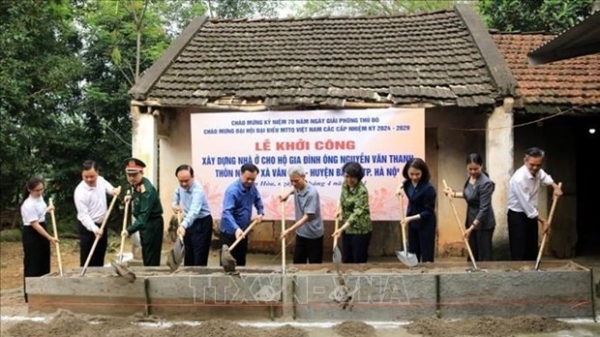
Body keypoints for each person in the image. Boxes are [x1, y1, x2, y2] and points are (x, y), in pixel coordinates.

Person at [507, 147, 562, 261]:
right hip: (518, 215)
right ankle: (519, 273)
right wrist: (543, 221)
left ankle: (533, 273)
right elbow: (526, 205)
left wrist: (555, 186)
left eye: (538, 165)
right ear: (525, 161)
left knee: (532, 247)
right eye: (532, 165)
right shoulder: (519, 178)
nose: (535, 168)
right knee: (519, 248)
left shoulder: (538, 171)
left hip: (532, 214)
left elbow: (544, 176)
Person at [443, 154, 495, 261]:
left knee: (483, 257)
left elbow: (484, 209)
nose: (472, 171)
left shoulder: (486, 183)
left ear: (481, 166)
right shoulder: (470, 178)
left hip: (483, 223)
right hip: (471, 219)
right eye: (470, 169)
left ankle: (485, 276)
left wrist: (471, 228)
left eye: (476, 169)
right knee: (473, 254)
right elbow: (469, 195)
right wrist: (452, 193)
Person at [74, 160, 121, 267]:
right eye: (86, 177)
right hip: (88, 228)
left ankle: (99, 278)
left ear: (97, 173)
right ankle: (87, 280)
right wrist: (94, 229)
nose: (89, 179)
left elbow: (107, 187)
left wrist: (113, 190)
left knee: (100, 256)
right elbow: (83, 215)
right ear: (82, 175)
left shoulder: (100, 180)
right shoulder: (80, 192)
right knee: (88, 258)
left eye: (92, 176)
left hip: (102, 225)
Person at [20, 177, 58, 302]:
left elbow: (40, 213)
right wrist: (50, 237)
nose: (40, 192)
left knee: (43, 260)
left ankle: (44, 291)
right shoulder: (27, 205)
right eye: (37, 190)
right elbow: (35, 224)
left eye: (41, 189)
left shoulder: (40, 198)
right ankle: (31, 295)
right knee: (33, 263)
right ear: (30, 190)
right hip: (32, 234)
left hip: (42, 228)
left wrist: (48, 209)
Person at [120, 158, 164, 266]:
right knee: (146, 253)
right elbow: (137, 196)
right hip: (146, 224)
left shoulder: (147, 190)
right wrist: (130, 197)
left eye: (134, 175)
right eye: (129, 175)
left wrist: (128, 230)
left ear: (141, 173)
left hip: (152, 224)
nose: (131, 178)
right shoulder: (136, 185)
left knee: (151, 256)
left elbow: (143, 215)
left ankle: (151, 277)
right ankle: (148, 275)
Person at [219, 163, 265, 267]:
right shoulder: (232, 191)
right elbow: (227, 212)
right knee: (227, 263)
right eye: (247, 178)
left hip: (244, 231)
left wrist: (260, 213)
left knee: (240, 262)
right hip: (230, 233)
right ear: (241, 175)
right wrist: (236, 229)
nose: (250, 182)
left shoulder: (252, 187)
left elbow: (258, 200)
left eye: (253, 179)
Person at [279, 165, 324, 264]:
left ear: (303, 177)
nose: (294, 184)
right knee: (298, 263)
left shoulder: (312, 193)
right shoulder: (297, 187)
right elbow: (294, 188)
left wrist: (289, 230)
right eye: (291, 181)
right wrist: (287, 194)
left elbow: (307, 216)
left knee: (314, 265)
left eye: (296, 181)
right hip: (301, 233)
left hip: (313, 234)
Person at [172, 164, 213, 266]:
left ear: (193, 177)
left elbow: (194, 211)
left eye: (187, 180)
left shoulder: (198, 191)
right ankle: (187, 278)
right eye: (181, 181)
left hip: (202, 223)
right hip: (189, 223)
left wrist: (183, 225)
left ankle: (199, 279)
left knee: (199, 256)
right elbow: (177, 191)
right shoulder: (181, 186)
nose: (184, 184)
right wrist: (175, 203)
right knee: (188, 254)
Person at [332, 161, 372, 264]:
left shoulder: (362, 191)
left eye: (352, 177)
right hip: (347, 228)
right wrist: (339, 209)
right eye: (346, 176)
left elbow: (357, 214)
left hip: (360, 229)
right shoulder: (345, 185)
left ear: (358, 177)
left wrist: (341, 229)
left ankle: (359, 279)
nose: (349, 180)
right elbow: (342, 198)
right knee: (347, 258)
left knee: (358, 259)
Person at [398, 158, 437, 263]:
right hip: (412, 223)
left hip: (426, 223)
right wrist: (399, 188)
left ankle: (428, 276)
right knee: (413, 253)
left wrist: (409, 219)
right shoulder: (408, 183)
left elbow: (428, 212)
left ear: (423, 172)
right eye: (411, 174)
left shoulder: (429, 189)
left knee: (426, 255)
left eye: (417, 174)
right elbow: (404, 183)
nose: (414, 177)